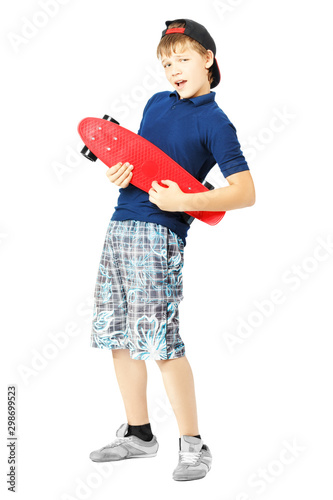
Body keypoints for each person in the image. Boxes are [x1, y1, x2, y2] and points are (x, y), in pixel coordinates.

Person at [89, 18, 255, 481]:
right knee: (118, 337)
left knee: (162, 342)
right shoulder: (154, 104)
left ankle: (193, 445)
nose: (173, 69)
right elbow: (141, 166)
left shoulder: (216, 122)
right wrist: (117, 172)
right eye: (166, 62)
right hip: (120, 226)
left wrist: (185, 201)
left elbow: (245, 192)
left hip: (160, 236)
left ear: (208, 59)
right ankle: (138, 435)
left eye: (183, 58)